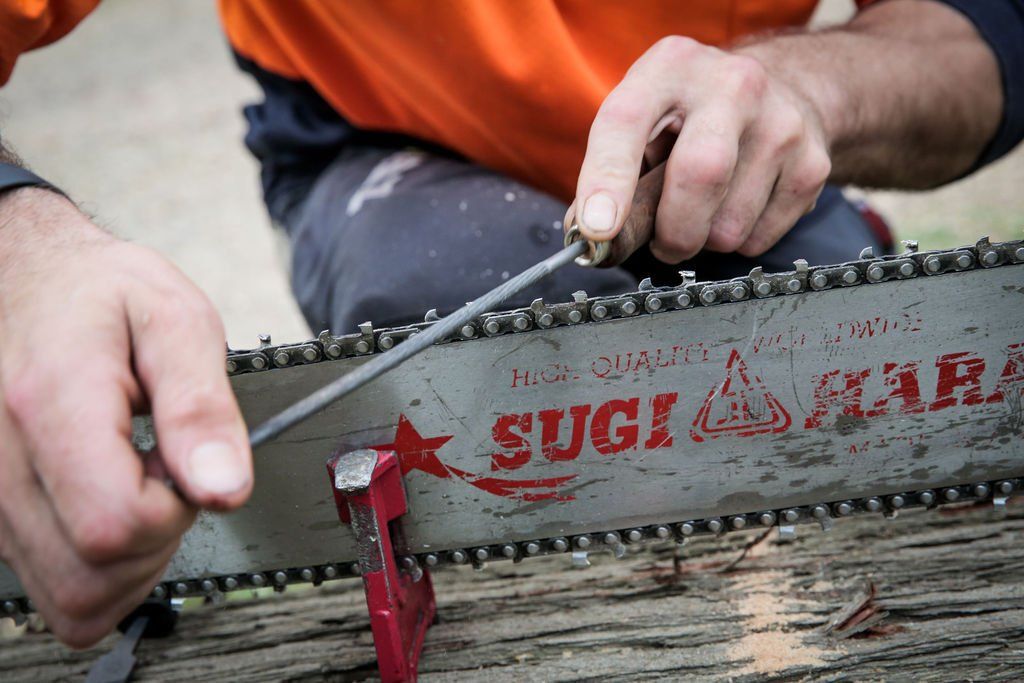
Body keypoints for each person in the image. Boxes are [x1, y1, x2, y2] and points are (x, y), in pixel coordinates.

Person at [0, 0, 1020, 648]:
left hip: (711, 143)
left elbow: (988, 32)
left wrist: (818, 86)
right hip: (376, 136)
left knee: (832, 331)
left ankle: (837, 231)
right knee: (484, 303)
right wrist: (19, 237)